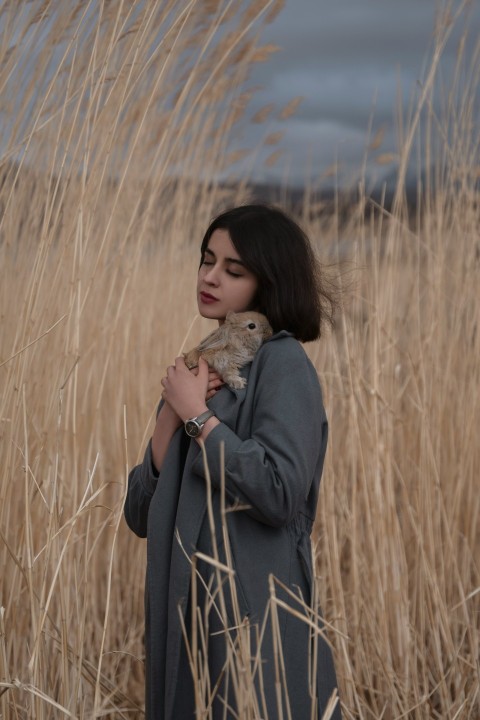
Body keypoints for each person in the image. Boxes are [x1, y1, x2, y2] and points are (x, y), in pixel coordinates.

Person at [124, 204, 342, 719]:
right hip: (188, 617)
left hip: (256, 616)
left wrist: (198, 418)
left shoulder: (283, 363)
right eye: (206, 260)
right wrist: (170, 419)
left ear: (267, 282)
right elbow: (140, 517)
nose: (210, 276)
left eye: (233, 269)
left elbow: (280, 491)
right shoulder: (200, 364)